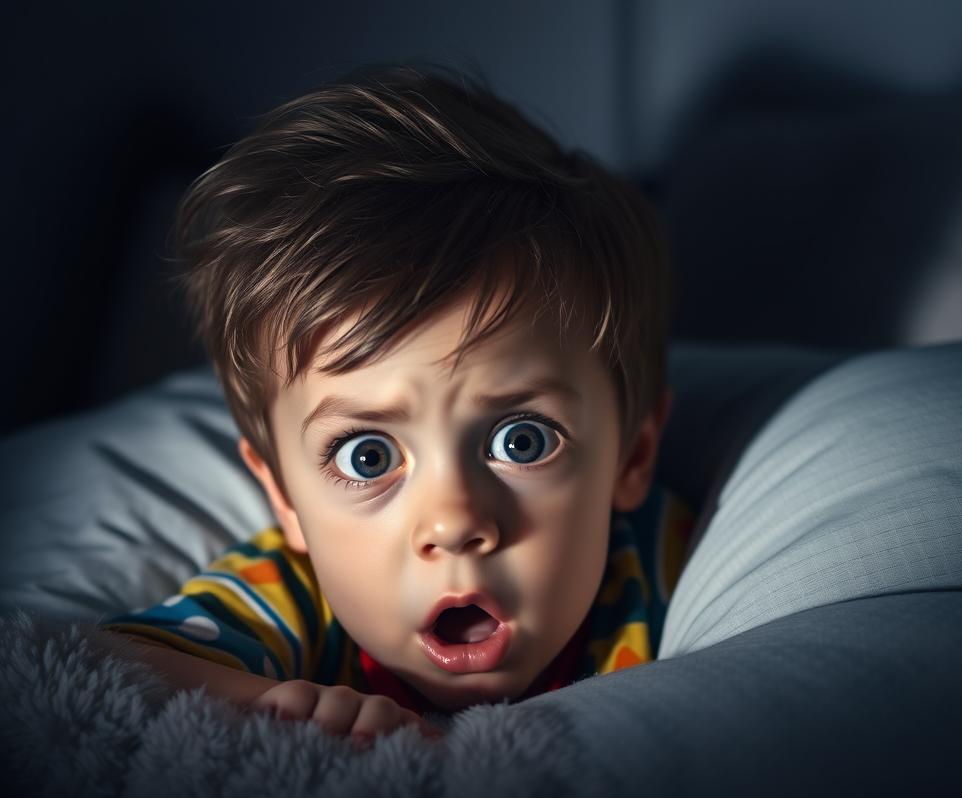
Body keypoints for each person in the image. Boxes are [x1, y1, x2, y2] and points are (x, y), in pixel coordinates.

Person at [96, 63, 694, 746]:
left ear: (632, 455)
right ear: (285, 496)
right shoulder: (295, 593)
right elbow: (102, 669)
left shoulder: (660, 564)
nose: (453, 522)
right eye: (367, 454)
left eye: (522, 440)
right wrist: (284, 706)